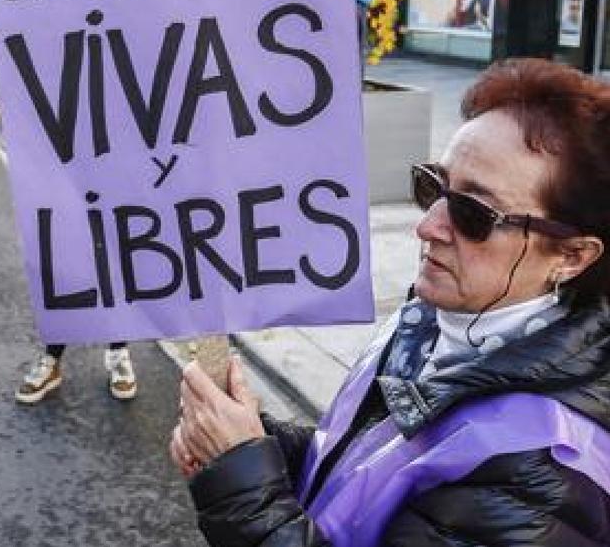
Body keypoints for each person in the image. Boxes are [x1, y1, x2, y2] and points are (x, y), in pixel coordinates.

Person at [170, 58, 610, 545]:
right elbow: (358, 468)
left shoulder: (545, 469)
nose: (427, 226)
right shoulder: (434, 319)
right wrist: (251, 441)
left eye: (472, 213)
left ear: (572, 256)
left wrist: (243, 482)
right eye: (433, 187)